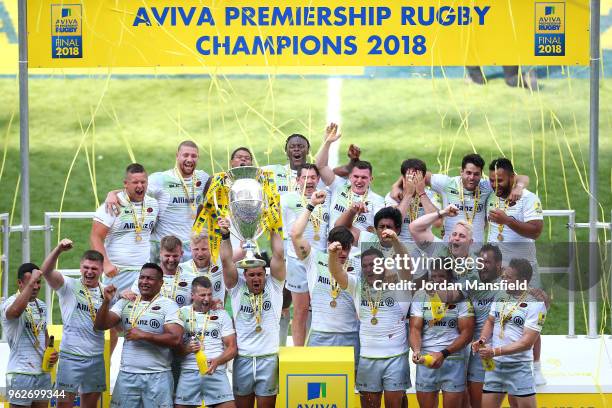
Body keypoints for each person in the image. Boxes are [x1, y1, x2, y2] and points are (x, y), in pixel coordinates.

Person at [330, 237, 412, 408]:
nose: (368, 269)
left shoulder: (398, 284)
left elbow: (406, 265)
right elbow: (337, 273)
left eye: (373, 265)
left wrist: (396, 241)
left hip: (395, 358)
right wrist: (332, 255)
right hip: (367, 358)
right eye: (365, 266)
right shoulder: (357, 285)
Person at [486, 157, 545, 385]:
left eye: (500, 180)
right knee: (497, 316)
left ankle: (536, 366)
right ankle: (496, 363)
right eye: (492, 180)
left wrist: (508, 221)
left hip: (523, 270)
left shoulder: (528, 199)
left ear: (512, 177)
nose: (495, 184)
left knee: (529, 317)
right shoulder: (491, 193)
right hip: (497, 271)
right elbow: (521, 178)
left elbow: (536, 231)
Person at [94, 263, 184, 408]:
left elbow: (176, 339)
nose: (144, 281)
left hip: (158, 376)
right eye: (142, 277)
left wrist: (144, 336)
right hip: (127, 375)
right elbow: (100, 325)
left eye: (150, 278)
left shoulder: (168, 305)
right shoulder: (126, 302)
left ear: (161, 283)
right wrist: (106, 301)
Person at [218, 217, 286, 408]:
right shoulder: (237, 288)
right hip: (244, 359)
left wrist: (274, 227)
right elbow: (225, 261)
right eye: (251, 275)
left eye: (259, 274)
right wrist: (225, 235)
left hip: (268, 359)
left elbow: (279, 256)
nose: (256, 278)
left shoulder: (275, 286)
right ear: (244, 276)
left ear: (266, 274)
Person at [106, 141, 210, 262]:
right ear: (177, 156)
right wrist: (112, 194)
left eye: (194, 156)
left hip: (189, 247)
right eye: (185, 155)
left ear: (198, 158)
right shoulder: (161, 179)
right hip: (163, 247)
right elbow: (135, 190)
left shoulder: (202, 178)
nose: (189, 159)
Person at [390, 153, 529, 243]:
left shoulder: (487, 186)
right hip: (449, 247)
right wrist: (396, 185)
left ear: (481, 174)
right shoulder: (447, 183)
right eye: (468, 173)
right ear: (461, 171)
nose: (471, 178)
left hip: (475, 250)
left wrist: (519, 187)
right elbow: (415, 173)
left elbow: (522, 177)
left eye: (476, 174)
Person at [290, 191, 360, 365]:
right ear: (329, 244)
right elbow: (295, 234)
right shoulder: (314, 258)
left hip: (350, 335)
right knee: (317, 389)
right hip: (320, 335)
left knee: (349, 389)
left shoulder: (357, 266)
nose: (343, 253)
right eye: (339, 247)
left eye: (347, 248)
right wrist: (311, 205)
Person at [39, 239, 109, 407]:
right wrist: (58, 250)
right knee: (64, 405)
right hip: (71, 358)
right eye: (86, 267)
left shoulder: (106, 292)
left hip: (96, 358)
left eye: (94, 268)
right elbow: (46, 271)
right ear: (80, 267)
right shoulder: (69, 285)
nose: (89, 272)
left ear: (101, 269)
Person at [472, 259, 547, 408]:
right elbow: (491, 321)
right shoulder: (501, 295)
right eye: (504, 276)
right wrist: (482, 339)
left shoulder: (537, 304)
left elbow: (527, 343)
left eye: (508, 277)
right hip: (495, 367)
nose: (504, 280)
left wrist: (495, 351)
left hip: (519, 367)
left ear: (522, 281)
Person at [410, 260, 475, 408]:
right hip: (426, 359)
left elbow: (467, 333)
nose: (437, 280)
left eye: (441, 276)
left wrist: (444, 353)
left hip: (453, 359)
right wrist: (417, 350)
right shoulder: (421, 296)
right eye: (433, 276)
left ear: (450, 278)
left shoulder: (461, 298)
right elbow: (415, 328)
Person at [91, 163, 159, 295]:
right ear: (126, 183)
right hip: (118, 272)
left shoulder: (153, 204)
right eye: (135, 182)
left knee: (140, 313)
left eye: (143, 182)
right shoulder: (112, 205)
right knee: (114, 313)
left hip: (144, 273)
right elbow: (95, 237)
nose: (140, 186)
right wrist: (106, 264)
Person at [281, 164, 330, 346]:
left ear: (318, 180)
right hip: (297, 260)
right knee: (300, 310)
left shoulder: (327, 198)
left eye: (312, 178)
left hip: (322, 260)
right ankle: (299, 353)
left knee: (321, 310)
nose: (309, 181)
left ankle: (319, 350)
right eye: (305, 178)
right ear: (297, 180)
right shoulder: (287, 200)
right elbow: (288, 232)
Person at [1, 264, 59, 408]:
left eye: (38, 282)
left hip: (43, 373)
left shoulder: (42, 306)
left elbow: (43, 333)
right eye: (31, 283)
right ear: (20, 283)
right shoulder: (9, 303)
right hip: (21, 373)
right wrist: (32, 281)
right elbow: (14, 313)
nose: (36, 286)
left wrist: (50, 352)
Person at [175, 276, 237, 408]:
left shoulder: (221, 314)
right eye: (202, 295)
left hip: (216, 371)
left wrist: (217, 361)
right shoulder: (180, 313)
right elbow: (172, 348)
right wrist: (186, 349)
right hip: (189, 371)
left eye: (209, 294)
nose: (207, 299)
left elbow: (232, 348)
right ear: (192, 295)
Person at [315, 125, 385, 232]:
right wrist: (327, 142)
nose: (359, 181)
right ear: (349, 176)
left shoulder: (377, 200)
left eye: (364, 177)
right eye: (356, 176)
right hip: (333, 246)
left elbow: (381, 228)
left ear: (371, 179)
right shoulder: (338, 185)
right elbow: (321, 166)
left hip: (359, 248)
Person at [126, 235, 197, 307]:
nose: (171, 260)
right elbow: (132, 298)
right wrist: (123, 295)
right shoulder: (145, 277)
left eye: (175, 256)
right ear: (160, 253)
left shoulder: (192, 279)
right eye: (167, 256)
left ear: (181, 254)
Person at [384, 159, 441, 244]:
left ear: (424, 179)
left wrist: (421, 193)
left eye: (417, 178)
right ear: (403, 179)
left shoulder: (431, 196)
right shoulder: (392, 196)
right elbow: (391, 224)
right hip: (399, 245)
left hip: (424, 245)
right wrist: (408, 195)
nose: (414, 182)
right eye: (410, 178)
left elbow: (437, 223)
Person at [178, 234, 225, 304]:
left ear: (211, 248)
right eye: (196, 249)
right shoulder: (180, 269)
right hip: (190, 314)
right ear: (190, 249)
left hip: (215, 313)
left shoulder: (219, 263)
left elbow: (239, 253)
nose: (200, 254)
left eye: (204, 249)